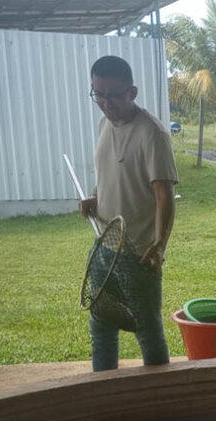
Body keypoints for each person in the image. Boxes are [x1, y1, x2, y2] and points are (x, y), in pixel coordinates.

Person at [79, 55, 178, 372]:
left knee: (146, 328)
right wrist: (95, 197)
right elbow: (111, 173)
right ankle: (104, 388)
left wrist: (159, 245)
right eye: (98, 94)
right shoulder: (104, 125)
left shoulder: (152, 133)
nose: (106, 103)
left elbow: (164, 196)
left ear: (132, 92)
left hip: (138, 253)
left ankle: (159, 393)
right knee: (101, 325)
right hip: (105, 245)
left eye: (114, 95)